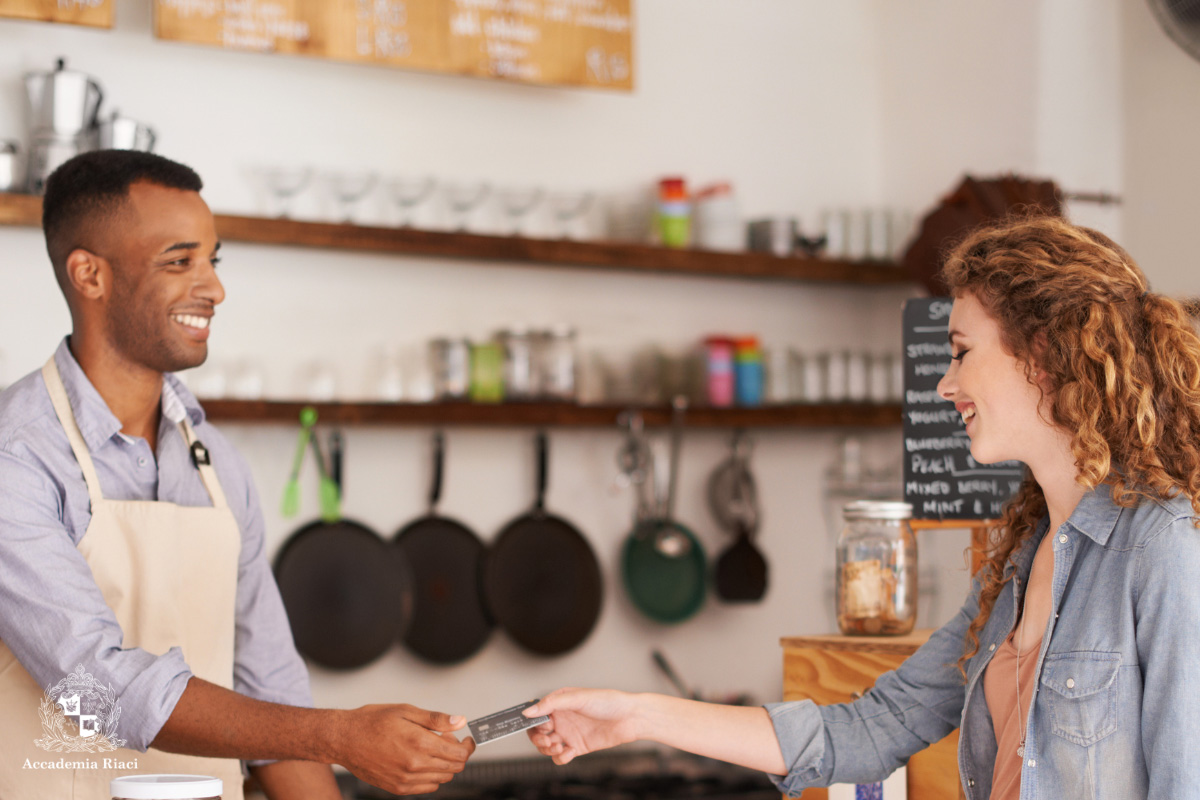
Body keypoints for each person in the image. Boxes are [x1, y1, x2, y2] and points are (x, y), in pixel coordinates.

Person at [523, 215, 1200, 799]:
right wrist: (638, 715)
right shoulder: (1024, 561)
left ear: (1044, 354)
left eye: (962, 353)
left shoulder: (1164, 545)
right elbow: (870, 729)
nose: (945, 384)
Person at [0, 150, 475, 800]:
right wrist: (339, 736)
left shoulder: (216, 463)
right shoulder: (16, 455)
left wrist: (324, 738)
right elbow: (96, 689)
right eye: (180, 260)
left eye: (213, 260)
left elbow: (269, 689)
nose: (214, 288)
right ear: (90, 274)